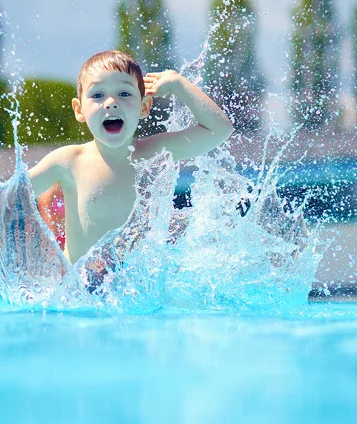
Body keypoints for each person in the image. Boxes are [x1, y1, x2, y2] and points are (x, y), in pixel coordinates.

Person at [29, 50, 234, 264]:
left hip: (134, 288)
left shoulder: (156, 152)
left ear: (144, 107)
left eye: (124, 94)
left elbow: (220, 130)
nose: (110, 102)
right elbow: (11, 196)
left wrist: (179, 84)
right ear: (79, 109)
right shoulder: (69, 161)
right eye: (97, 95)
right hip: (81, 290)